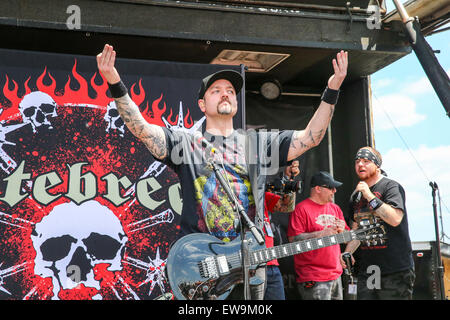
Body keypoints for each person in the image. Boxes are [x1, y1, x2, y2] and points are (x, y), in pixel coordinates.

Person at [96, 44, 348, 299]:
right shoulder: (188, 143)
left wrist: (333, 89)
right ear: (202, 104)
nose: (225, 94)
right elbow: (142, 130)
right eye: (216, 91)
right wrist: (115, 83)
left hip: (252, 267)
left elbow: (311, 138)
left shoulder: (257, 143)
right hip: (203, 266)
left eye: (230, 91)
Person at [341, 146, 415, 300]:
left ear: (377, 165)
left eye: (366, 161)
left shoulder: (391, 187)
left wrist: (369, 196)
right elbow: (357, 230)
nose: (360, 165)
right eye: (357, 162)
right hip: (369, 270)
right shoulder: (356, 196)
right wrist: (348, 252)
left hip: (395, 270)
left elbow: (395, 219)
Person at [287, 171, 348, 300]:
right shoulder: (301, 209)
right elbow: (293, 240)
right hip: (313, 277)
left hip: (336, 275)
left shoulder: (335, 208)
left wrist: (343, 232)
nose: (335, 191)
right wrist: (321, 233)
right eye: (331, 187)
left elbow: (347, 238)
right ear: (318, 189)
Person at [263, 162, 299, 300]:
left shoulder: (260, 191)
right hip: (248, 266)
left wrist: (289, 181)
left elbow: (286, 207)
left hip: (271, 264)